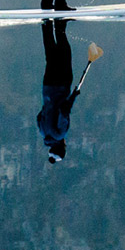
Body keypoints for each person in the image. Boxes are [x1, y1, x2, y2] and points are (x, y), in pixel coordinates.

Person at [36, 19, 80, 163]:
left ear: (62, 147)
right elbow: (39, 116)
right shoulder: (43, 133)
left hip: (61, 85)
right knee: (50, 55)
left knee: (64, 51)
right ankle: (46, 24)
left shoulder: (60, 134)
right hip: (47, 87)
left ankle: (60, 24)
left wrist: (73, 96)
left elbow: (63, 110)